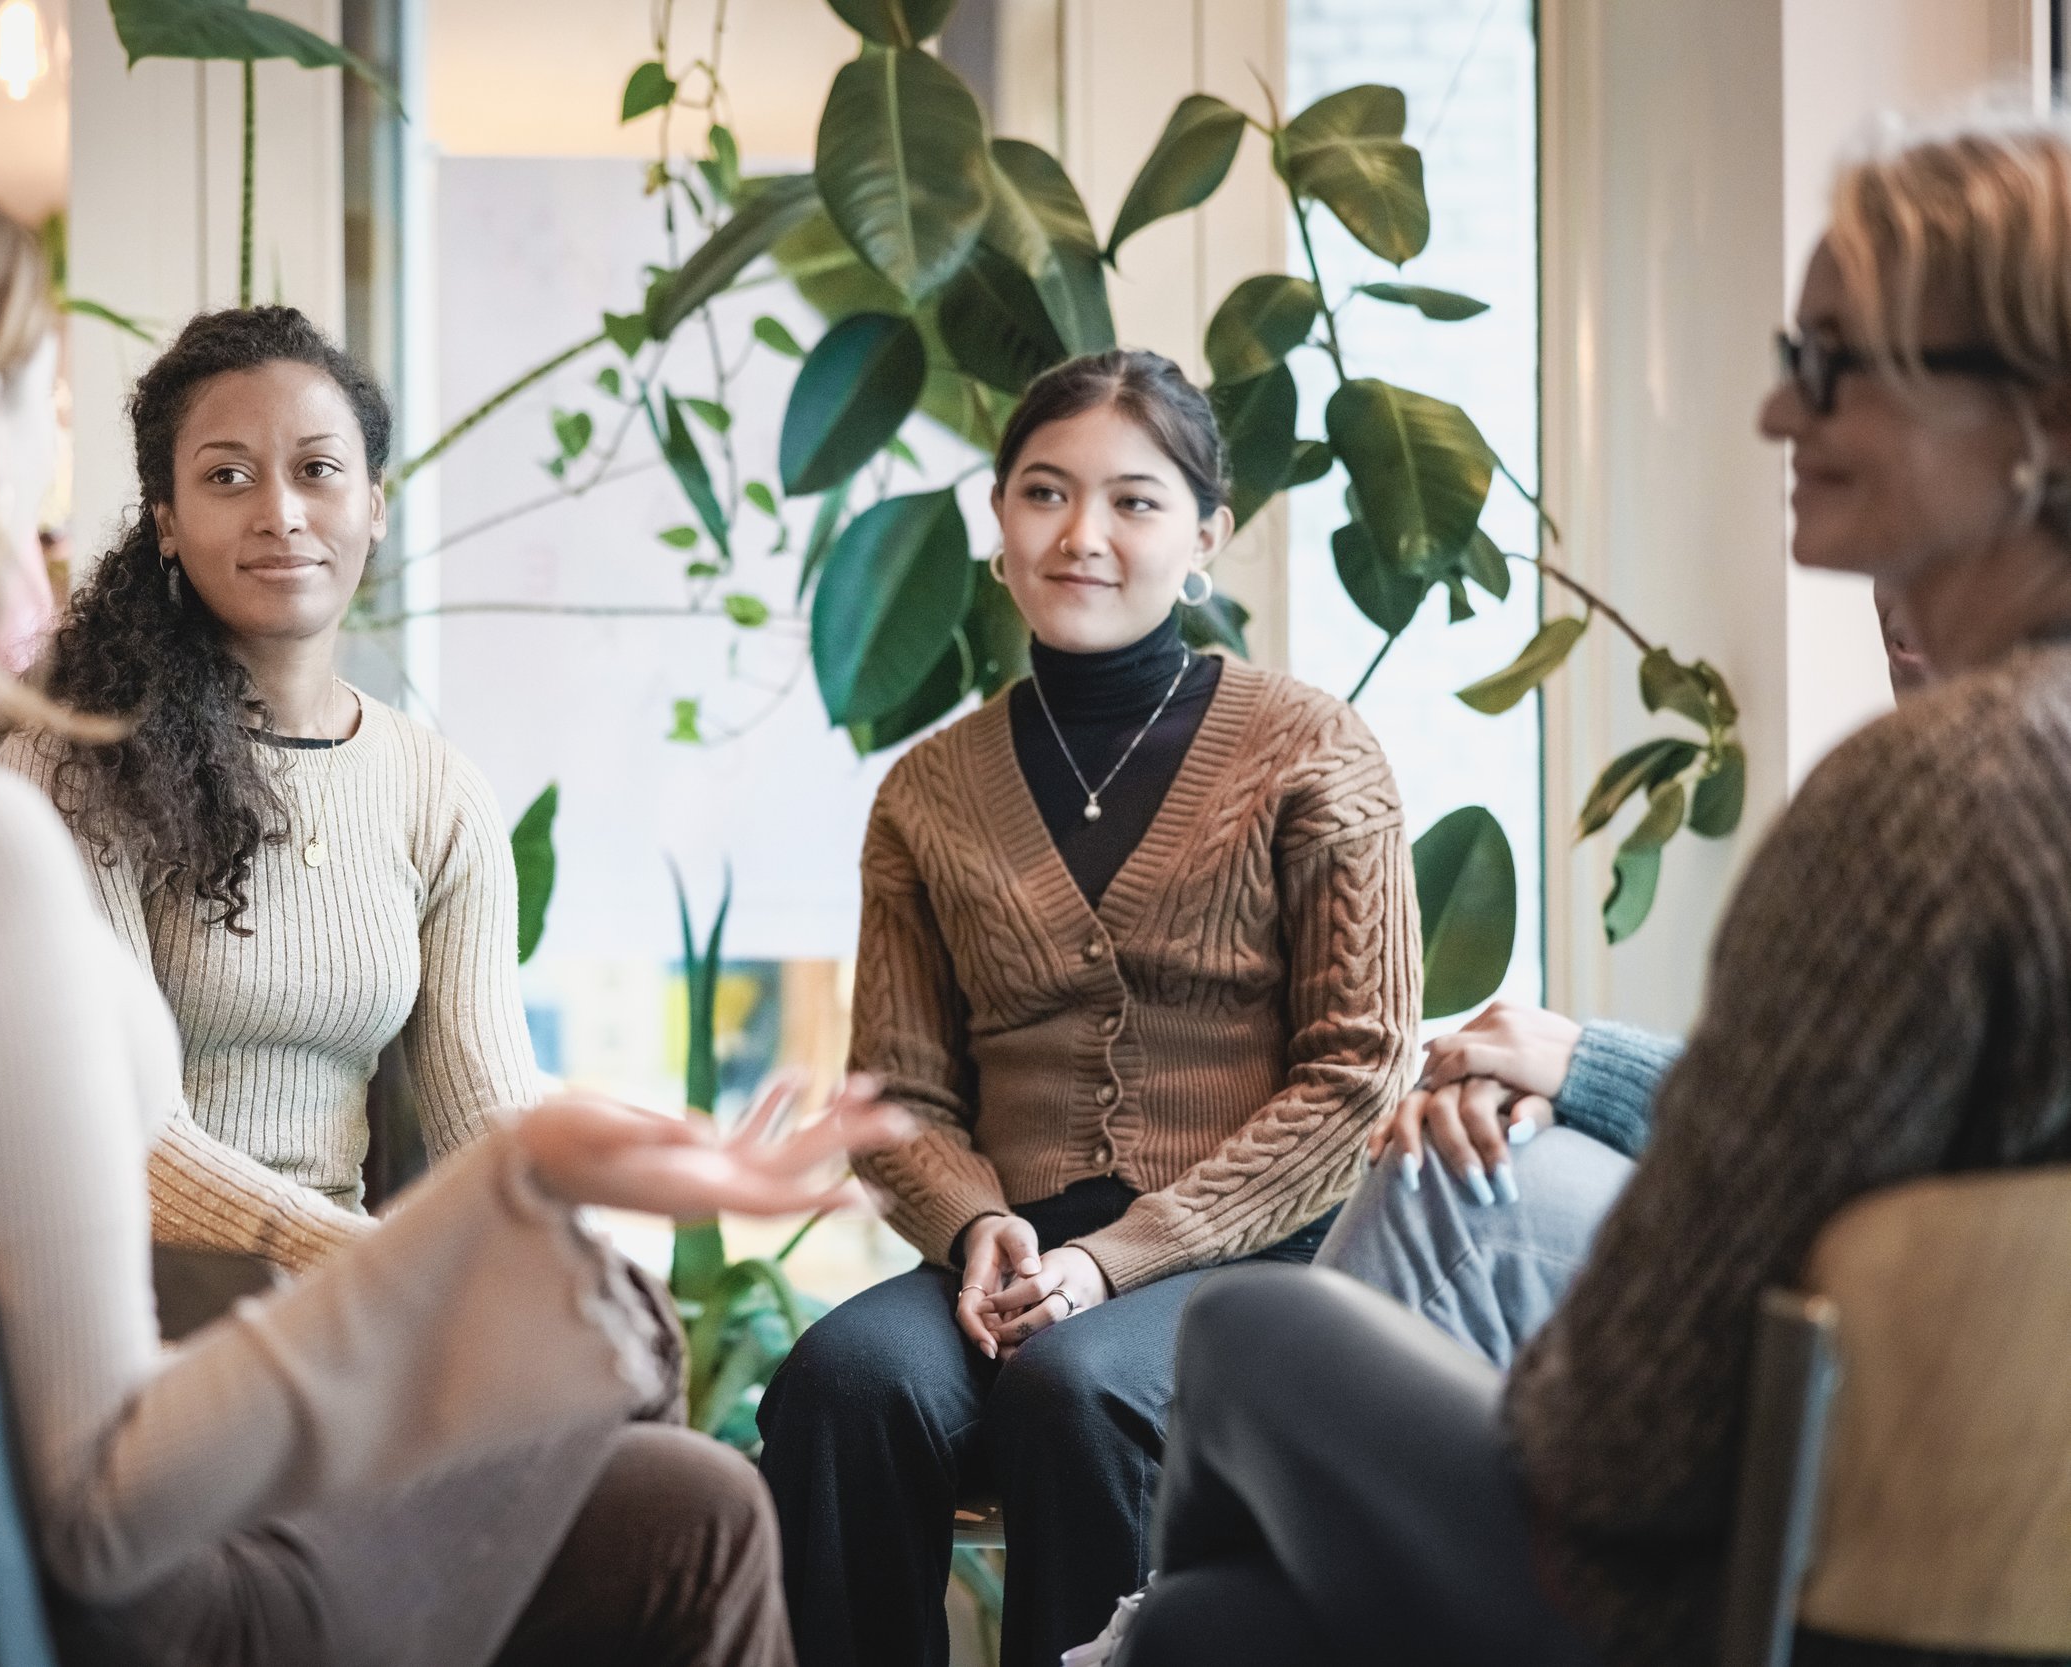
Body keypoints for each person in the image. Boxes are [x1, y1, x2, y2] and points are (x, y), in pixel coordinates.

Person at [0, 153, 913, 1667]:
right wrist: (505, 1210)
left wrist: (497, 1177)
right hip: (66, 1605)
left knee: (680, 1507)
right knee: (628, 1364)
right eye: (37, 404)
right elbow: (103, 1504)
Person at [1119, 109, 2071, 1667]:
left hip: (1749, 1600)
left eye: (1836, 366)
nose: (1776, 409)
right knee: (1221, 1632)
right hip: (1991, 1594)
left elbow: (1631, 1433)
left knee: (1247, 1328)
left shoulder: (1932, 802)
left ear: (2040, 415)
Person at [757, 350, 1422, 1667]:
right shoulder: (929, 791)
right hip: (1006, 1255)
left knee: (1078, 1389)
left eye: (1134, 500)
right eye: (1045, 493)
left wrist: (1118, 1257)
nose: (1084, 535)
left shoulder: (1312, 746)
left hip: (1253, 1258)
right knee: (843, 1384)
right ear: (997, 525)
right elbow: (896, 1093)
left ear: (1204, 539)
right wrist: (980, 1223)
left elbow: (1359, 1070)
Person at [0, 306, 532, 1278]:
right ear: (165, 519)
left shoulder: (435, 790)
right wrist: (369, 1270)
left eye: (317, 470)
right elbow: (123, 1131)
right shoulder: (74, 769)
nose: (279, 511)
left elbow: (490, 1124)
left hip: (342, 1293)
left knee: (650, 1427)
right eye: (226, 476)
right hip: (121, 1291)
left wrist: (576, 1248)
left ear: (374, 502)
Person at [1312, 580, 1935, 1369]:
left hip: (1940, 1325)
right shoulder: (1917, 799)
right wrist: (1547, 1092)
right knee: (1462, 1156)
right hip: (1862, 1267)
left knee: (1448, 1200)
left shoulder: (1989, 815)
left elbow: (1876, 1148)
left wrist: (1592, 1072)